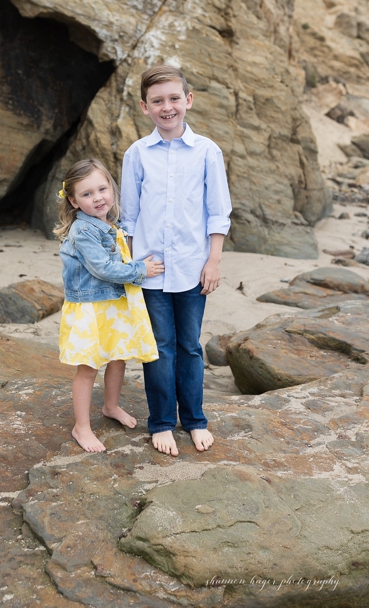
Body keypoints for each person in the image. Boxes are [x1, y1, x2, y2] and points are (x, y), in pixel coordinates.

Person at [121, 64, 232, 457]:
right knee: (160, 347)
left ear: (188, 101)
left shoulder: (207, 151)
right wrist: (132, 268)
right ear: (145, 107)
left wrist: (213, 261)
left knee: (189, 346)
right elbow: (129, 219)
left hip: (192, 268)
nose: (166, 107)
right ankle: (162, 422)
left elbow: (218, 212)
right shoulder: (136, 154)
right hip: (150, 270)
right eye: (157, 101)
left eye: (173, 99)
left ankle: (195, 419)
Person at [55, 158, 165, 453]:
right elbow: (103, 269)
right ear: (74, 201)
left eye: (102, 189)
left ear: (112, 189)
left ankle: (111, 406)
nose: (97, 197)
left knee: (118, 356)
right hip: (90, 308)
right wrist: (141, 270)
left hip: (112, 305)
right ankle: (82, 427)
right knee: (89, 366)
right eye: (87, 194)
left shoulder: (108, 225)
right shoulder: (84, 231)